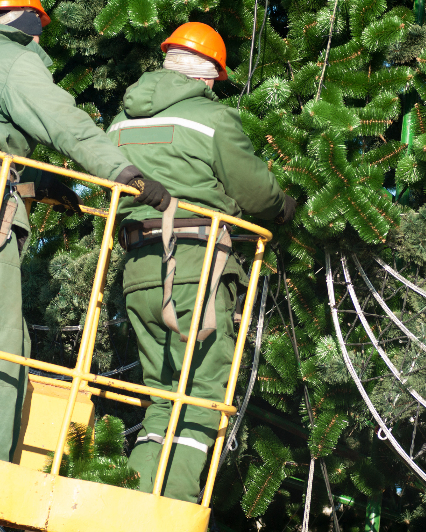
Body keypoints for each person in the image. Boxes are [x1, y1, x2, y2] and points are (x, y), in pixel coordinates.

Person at [0, 0, 171, 464]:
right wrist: (124, 172)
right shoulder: (12, 57)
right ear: (29, 25)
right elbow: (65, 122)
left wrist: (40, 184)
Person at [108, 22, 296, 502]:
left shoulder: (122, 120)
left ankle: (129, 506)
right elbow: (254, 192)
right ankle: (172, 513)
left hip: (137, 271)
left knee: (160, 397)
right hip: (196, 265)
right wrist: (284, 208)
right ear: (211, 76)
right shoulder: (211, 119)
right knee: (202, 394)